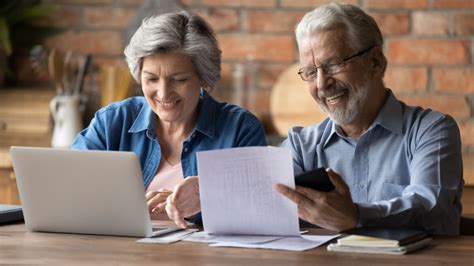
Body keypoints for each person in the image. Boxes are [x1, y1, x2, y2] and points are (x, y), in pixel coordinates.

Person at [166, 3, 464, 235]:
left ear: (375, 62)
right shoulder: (301, 144)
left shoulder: (431, 130)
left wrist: (357, 217)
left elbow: (432, 208)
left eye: (333, 64)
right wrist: (212, 192)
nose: (321, 83)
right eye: (310, 72)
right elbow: (261, 194)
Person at [71, 11, 267, 223]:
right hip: (122, 253)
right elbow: (68, 186)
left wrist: (206, 197)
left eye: (179, 79)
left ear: (204, 78)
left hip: (207, 255)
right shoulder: (111, 121)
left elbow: (261, 210)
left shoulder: (240, 129)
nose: (163, 93)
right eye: (152, 79)